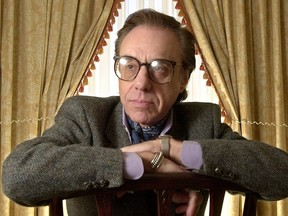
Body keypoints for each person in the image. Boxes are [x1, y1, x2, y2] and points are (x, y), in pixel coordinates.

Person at [2, 9, 288, 216]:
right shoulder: (85, 115)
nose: (141, 83)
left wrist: (176, 151)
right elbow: (17, 176)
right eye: (129, 65)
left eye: (160, 67)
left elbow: (282, 175)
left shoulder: (204, 122)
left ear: (183, 78)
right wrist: (133, 163)